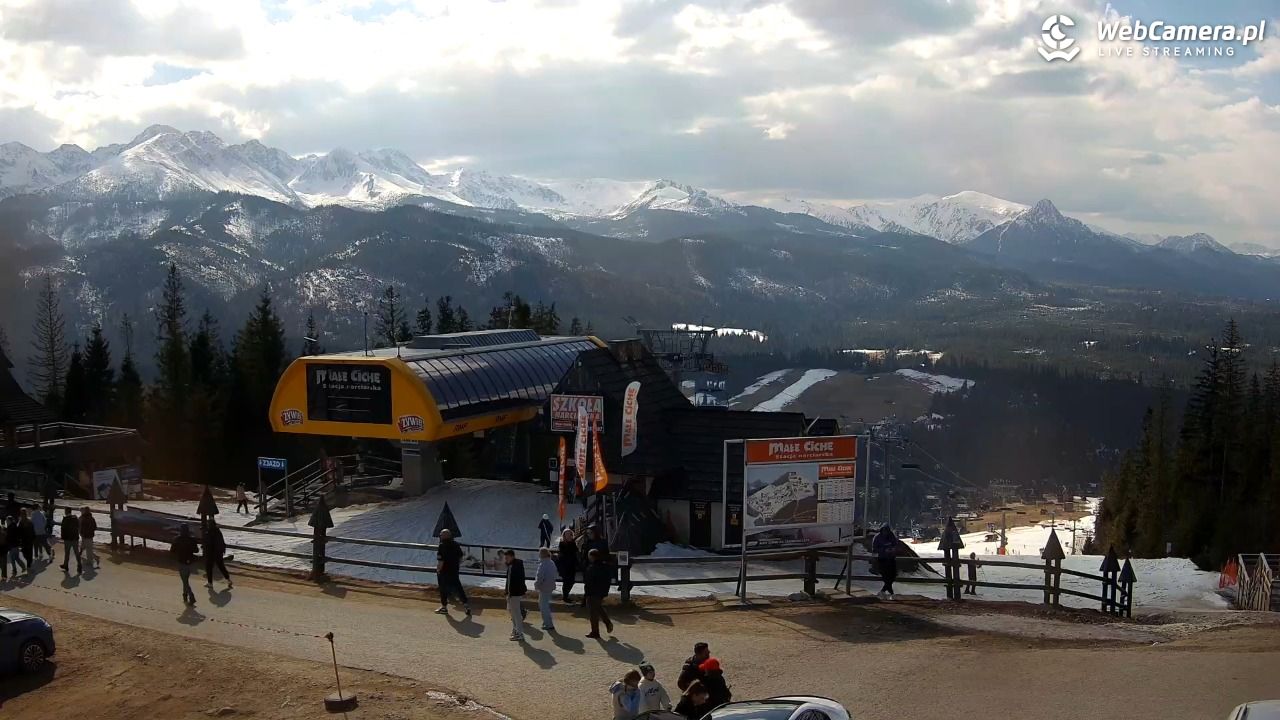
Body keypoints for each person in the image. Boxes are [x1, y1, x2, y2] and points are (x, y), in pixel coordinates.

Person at [434, 529, 471, 616]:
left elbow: (441, 561)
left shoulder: (442, 546)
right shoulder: (456, 544)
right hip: (454, 570)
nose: (440, 536)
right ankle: (466, 605)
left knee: (443, 589)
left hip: (444, 571)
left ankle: (444, 607)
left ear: (444, 536)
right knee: (458, 588)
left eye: (441, 535)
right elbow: (460, 557)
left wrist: (438, 570)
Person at [583, 547, 614, 638]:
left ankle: (595, 632)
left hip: (592, 592)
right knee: (598, 607)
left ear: (592, 557)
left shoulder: (592, 568)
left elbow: (589, 581)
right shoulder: (605, 566)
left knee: (593, 612)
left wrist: (587, 593)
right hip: (601, 591)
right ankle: (607, 623)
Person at [171, 524, 199, 606]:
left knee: (185, 581)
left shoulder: (177, 539)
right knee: (185, 580)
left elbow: (172, 551)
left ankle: (191, 596)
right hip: (190, 562)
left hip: (181, 561)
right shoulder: (192, 539)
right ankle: (185, 596)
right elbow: (196, 550)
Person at [503, 549, 527, 641]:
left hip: (514, 594)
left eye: (507, 557)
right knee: (512, 613)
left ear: (512, 557)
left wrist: (509, 593)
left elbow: (514, 582)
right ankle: (516, 630)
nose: (506, 559)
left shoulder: (514, 566)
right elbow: (509, 581)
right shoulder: (513, 565)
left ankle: (519, 633)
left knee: (516, 614)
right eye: (505, 558)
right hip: (512, 593)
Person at [534, 546, 558, 631]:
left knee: (543, 606)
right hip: (550, 586)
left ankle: (548, 624)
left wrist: (536, 585)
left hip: (544, 587)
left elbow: (540, 576)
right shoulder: (551, 562)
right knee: (545, 605)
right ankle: (546, 622)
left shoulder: (543, 564)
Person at [203, 520, 232, 588]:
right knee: (221, 566)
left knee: (209, 567)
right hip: (218, 552)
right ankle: (228, 579)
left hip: (211, 553)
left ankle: (210, 583)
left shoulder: (209, 532)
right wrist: (222, 550)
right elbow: (221, 542)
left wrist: (205, 549)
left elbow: (208, 543)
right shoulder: (218, 531)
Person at [872, 524, 898, 599]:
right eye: (884, 531)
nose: (885, 532)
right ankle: (891, 593)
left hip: (891, 559)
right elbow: (874, 549)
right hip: (882, 559)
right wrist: (883, 550)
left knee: (893, 576)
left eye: (887, 531)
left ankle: (883, 592)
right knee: (886, 577)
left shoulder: (892, 536)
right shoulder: (877, 537)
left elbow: (895, 544)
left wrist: (893, 549)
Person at [557, 528, 579, 603]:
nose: (568, 536)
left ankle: (566, 595)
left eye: (570, 534)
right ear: (564, 535)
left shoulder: (573, 543)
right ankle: (565, 597)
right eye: (567, 534)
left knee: (571, 581)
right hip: (564, 566)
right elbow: (564, 553)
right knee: (566, 581)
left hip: (572, 565)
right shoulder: (562, 543)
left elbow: (576, 551)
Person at [59, 508, 81, 574]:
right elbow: (79, 527)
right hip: (75, 538)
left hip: (67, 539)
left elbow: (63, 529)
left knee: (67, 553)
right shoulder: (75, 518)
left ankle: (66, 565)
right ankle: (79, 565)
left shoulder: (65, 519)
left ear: (66, 512)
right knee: (77, 552)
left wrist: (62, 537)